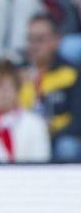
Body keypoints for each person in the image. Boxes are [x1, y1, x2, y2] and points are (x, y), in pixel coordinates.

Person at [20, 14, 81, 161]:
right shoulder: (18, 75)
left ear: (56, 41)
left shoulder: (72, 73)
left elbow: (78, 121)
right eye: (30, 39)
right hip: (26, 139)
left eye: (40, 40)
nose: (34, 46)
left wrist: (47, 137)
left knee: (67, 147)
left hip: (58, 139)